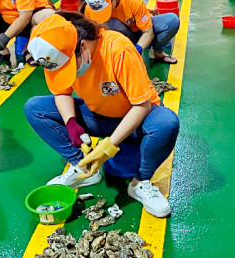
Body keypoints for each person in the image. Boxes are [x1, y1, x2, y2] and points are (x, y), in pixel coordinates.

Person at [24, 13, 179, 217]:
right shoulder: (53, 55)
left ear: (83, 46)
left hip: (137, 120)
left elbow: (142, 106)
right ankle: (84, 167)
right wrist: (71, 122)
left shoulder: (118, 49)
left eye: (71, 67)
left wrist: (107, 147)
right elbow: (61, 92)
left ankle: (140, 182)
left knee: (166, 122)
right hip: (99, 117)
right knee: (35, 108)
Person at [83, 0, 179, 64]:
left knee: (172, 21)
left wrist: (137, 49)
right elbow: (93, 35)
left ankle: (157, 52)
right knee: (113, 24)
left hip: (140, 30)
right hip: (120, 37)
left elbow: (148, 32)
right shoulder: (92, 5)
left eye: (105, 9)